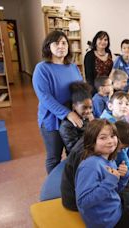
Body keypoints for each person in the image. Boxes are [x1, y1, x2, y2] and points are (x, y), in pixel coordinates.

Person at [75, 119, 129, 228]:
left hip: (113, 205)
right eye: (103, 138)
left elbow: (116, 189)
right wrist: (110, 181)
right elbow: (83, 202)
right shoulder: (90, 166)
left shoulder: (109, 158)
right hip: (106, 220)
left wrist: (124, 176)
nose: (110, 141)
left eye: (112, 136)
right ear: (92, 141)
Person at [32, 30, 83, 174]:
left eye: (64, 43)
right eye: (56, 43)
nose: (61, 46)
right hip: (52, 120)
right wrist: (67, 114)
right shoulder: (42, 68)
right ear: (48, 46)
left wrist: (87, 111)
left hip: (74, 117)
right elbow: (45, 97)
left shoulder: (73, 67)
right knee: (54, 157)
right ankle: (53, 192)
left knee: (73, 153)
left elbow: (81, 91)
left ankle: (71, 183)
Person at [59, 82, 94, 154]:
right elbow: (74, 149)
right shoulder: (67, 125)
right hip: (79, 158)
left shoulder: (87, 117)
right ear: (74, 106)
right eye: (84, 108)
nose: (88, 111)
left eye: (90, 107)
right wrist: (91, 127)